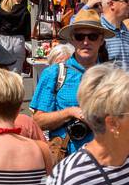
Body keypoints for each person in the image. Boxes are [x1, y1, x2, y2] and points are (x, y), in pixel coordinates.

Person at [32, 8, 107, 156]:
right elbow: (38, 121)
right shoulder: (54, 74)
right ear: (72, 39)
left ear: (101, 40)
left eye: (92, 36)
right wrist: (70, 112)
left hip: (104, 158)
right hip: (66, 157)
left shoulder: (111, 76)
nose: (86, 42)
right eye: (80, 36)